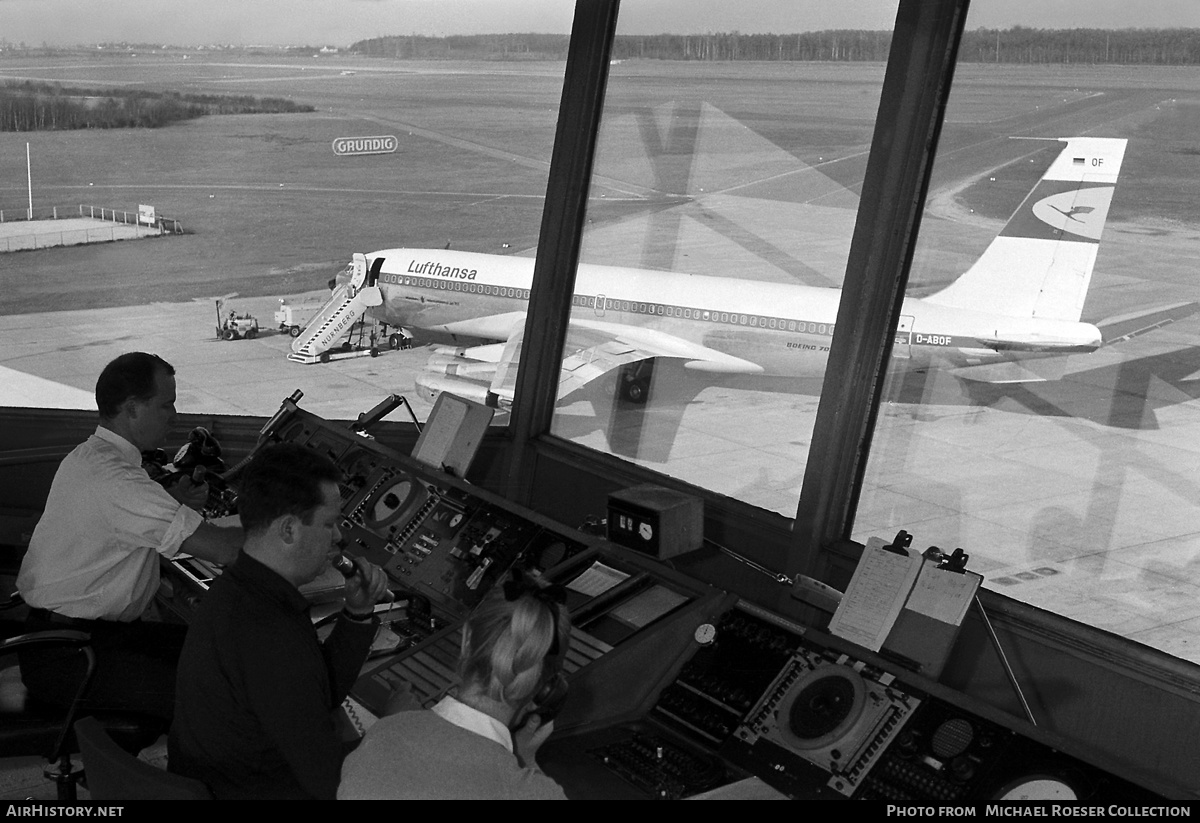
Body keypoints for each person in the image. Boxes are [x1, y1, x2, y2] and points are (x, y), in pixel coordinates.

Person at [16, 351, 243, 723]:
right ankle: (180, 781)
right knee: (208, 695)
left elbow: (118, 521)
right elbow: (223, 549)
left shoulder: (89, 456)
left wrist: (174, 502)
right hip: (72, 658)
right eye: (166, 405)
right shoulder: (119, 481)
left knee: (215, 652)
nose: (175, 416)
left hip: (71, 638)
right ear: (133, 408)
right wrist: (286, 524)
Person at [169, 442, 392, 800]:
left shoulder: (241, 589)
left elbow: (317, 694)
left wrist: (357, 614)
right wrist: (396, 730)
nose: (339, 537)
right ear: (288, 529)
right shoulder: (270, 635)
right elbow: (334, 785)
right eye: (330, 523)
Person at [338, 572, 570, 800]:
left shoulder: (381, 735)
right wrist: (525, 760)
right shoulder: (536, 793)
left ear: (466, 640)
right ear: (546, 689)